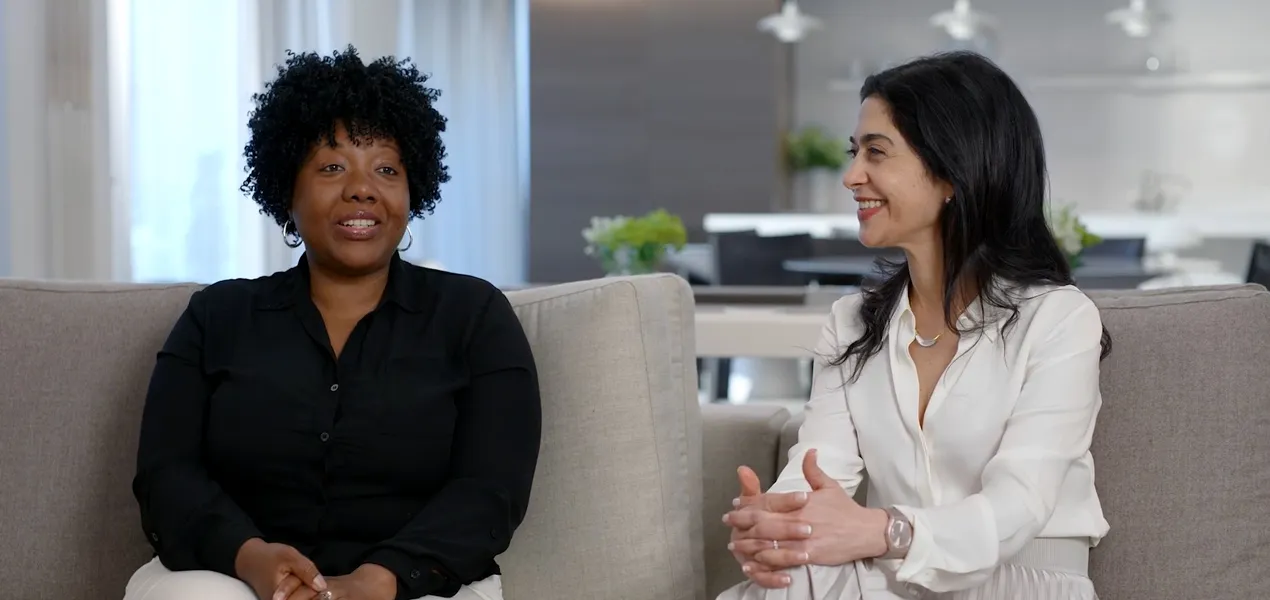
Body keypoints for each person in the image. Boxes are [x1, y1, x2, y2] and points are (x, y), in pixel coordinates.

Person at [125, 47, 541, 600]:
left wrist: (380, 579)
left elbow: (491, 490)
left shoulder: (474, 317)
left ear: (412, 191)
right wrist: (250, 557)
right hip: (229, 577)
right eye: (331, 167)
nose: (362, 188)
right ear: (287, 189)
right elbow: (166, 474)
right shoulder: (216, 317)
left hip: (419, 584)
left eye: (387, 169)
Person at [718, 51, 1111, 599]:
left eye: (876, 152)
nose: (852, 176)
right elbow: (816, 474)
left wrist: (885, 530)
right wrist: (777, 526)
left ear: (953, 171)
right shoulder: (851, 323)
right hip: (893, 581)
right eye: (854, 153)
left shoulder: (1058, 319)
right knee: (786, 581)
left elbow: (1018, 506)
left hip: (1018, 581)